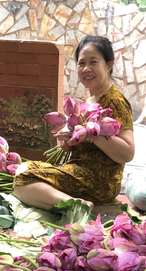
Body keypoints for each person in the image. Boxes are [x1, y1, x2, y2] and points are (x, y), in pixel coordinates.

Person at [13, 36, 135, 211]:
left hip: (99, 181)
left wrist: (91, 133)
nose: (86, 69)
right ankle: (73, 203)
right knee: (22, 169)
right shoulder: (91, 99)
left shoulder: (115, 101)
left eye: (93, 62)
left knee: (22, 180)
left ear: (108, 65)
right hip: (79, 171)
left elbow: (128, 153)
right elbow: (87, 145)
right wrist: (70, 143)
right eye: (81, 63)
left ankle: (76, 205)